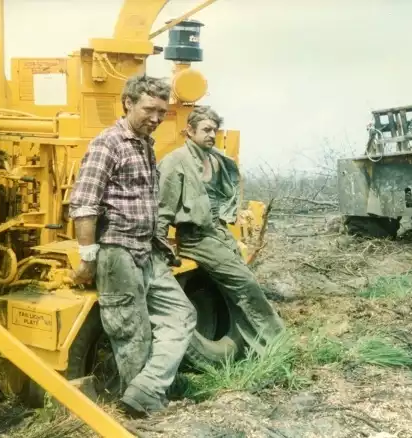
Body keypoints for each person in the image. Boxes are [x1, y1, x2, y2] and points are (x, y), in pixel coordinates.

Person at [68, 75, 196, 417]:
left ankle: (145, 390)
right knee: (132, 334)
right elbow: (84, 203)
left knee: (181, 315)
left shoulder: (144, 145)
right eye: (150, 110)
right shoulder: (107, 143)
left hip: (146, 250)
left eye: (162, 112)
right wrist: (88, 256)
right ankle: (141, 411)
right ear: (128, 103)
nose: (156, 118)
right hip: (117, 252)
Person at [156, 106, 285, 358]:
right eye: (205, 129)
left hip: (219, 233)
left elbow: (228, 193)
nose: (211, 134)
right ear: (189, 131)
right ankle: (278, 345)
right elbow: (162, 206)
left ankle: (253, 348)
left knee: (241, 286)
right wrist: (159, 248)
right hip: (196, 238)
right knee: (245, 283)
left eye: (214, 130)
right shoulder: (176, 162)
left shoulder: (216, 159)